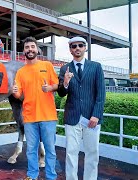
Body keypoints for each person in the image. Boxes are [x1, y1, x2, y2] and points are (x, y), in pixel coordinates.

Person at [57, 36, 106, 180]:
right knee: (71, 153)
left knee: (92, 152)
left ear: (85, 48)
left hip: (92, 118)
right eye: (74, 46)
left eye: (80, 45)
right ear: (70, 50)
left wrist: (96, 115)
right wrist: (65, 83)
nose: (77, 48)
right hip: (72, 117)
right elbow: (61, 93)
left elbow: (101, 94)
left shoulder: (96, 66)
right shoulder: (65, 68)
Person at [12, 37, 58, 180]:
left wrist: (49, 88)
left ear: (37, 49)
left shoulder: (47, 65)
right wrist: (15, 92)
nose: (30, 49)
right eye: (27, 47)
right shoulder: (20, 72)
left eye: (32, 46)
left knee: (50, 151)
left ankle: (51, 177)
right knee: (31, 150)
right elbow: (19, 94)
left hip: (48, 116)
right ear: (24, 51)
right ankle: (32, 175)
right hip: (29, 117)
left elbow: (57, 85)